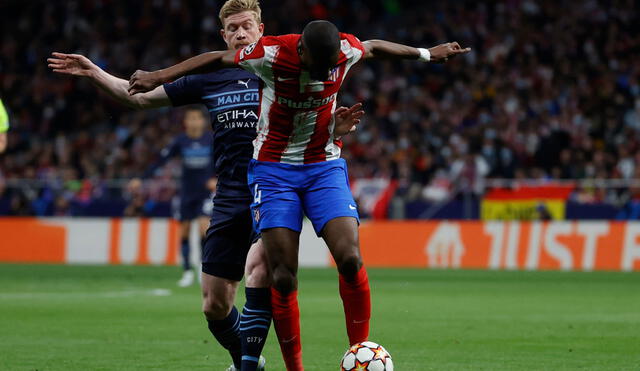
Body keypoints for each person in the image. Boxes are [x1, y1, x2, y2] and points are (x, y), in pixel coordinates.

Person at [127, 19, 470, 370]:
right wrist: (159, 76)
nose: (323, 75)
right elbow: (216, 58)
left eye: (328, 67)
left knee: (350, 258)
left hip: (323, 165)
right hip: (274, 172)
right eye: (315, 67)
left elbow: (376, 46)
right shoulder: (270, 54)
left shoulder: (345, 50)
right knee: (283, 274)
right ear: (301, 52)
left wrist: (427, 54)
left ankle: (358, 354)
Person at [48, 2, 362, 369]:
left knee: (261, 270)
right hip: (231, 194)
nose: (240, 33)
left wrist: (334, 131)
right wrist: (93, 71)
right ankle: (249, 360)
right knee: (215, 304)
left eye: (247, 26)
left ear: (262, 29)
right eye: (232, 28)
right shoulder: (211, 75)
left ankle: (250, 366)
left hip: (277, 183)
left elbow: (320, 103)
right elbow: (139, 99)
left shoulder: (282, 64)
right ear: (223, 35)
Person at [133, 107, 216, 287]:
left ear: (203, 121)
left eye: (196, 118)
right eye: (190, 119)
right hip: (186, 192)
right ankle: (187, 271)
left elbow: (224, 161)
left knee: (204, 229)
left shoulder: (211, 140)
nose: (193, 122)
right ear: (185, 122)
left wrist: (216, 178)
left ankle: (203, 269)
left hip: (205, 193)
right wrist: (142, 178)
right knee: (184, 231)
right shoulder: (181, 141)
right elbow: (161, 161)